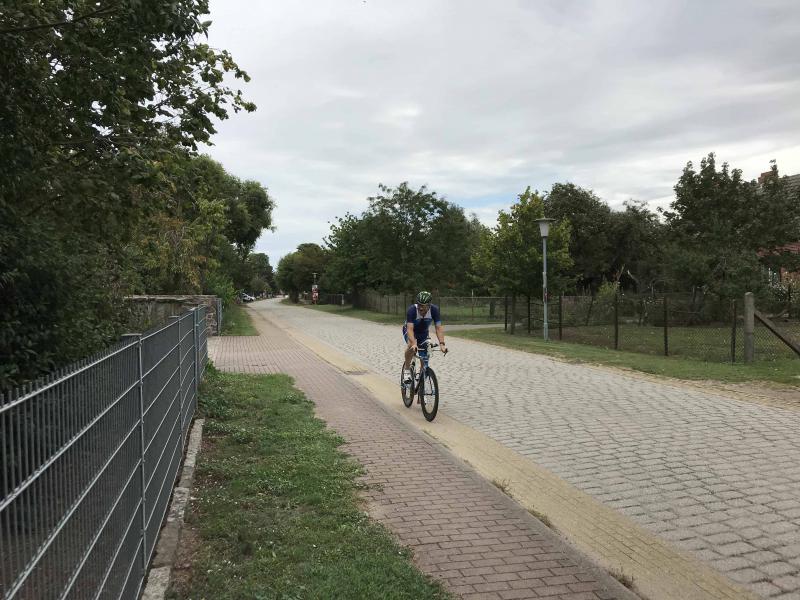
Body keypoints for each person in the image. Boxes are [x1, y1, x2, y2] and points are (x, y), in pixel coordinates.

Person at [403, 291, 447, 380]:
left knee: (426, 349)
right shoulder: (412, 310)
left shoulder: (434, 310)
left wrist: (442, 344)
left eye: (423, 305)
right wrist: (414, 343)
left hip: (423, 332)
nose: (420, 307)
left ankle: (422, 374)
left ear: (429, 305)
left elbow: (438, 328)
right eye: (419, 304)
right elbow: (410, 329)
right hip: (410, 330)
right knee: (411, 346)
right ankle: (407, 370)